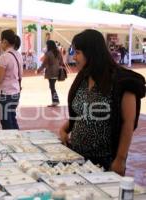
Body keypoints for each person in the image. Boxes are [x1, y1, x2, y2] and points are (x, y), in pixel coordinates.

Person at [59, 29, 145, 176]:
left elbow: (128, 123)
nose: (74, 57)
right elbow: (81, 112)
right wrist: (64, 129)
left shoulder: (122, 82)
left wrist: (120, 159)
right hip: (77, 156)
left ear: (92, 53)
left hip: (105, 161)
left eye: (78, 52)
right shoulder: (83, 78)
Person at [0, 29, 23, 129]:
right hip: (15, 92)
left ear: (5, 42)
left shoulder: (4, 57)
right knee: (12, 119)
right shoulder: (17, 54)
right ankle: (18, 141)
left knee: (7, 124)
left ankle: (10, 142)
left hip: (5, 94)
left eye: (0, 41)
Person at [37, 40, 62, 107]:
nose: (46, 46)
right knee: (52, 86)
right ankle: (55, 101)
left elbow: (44, 64)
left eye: (47, 45)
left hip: (51, 72)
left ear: (49, 45)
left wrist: (38, 70)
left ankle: (55, 101)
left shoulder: (48, 53)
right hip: (57, 71)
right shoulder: (58, 52)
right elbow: (61, 62)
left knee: (52, 87)